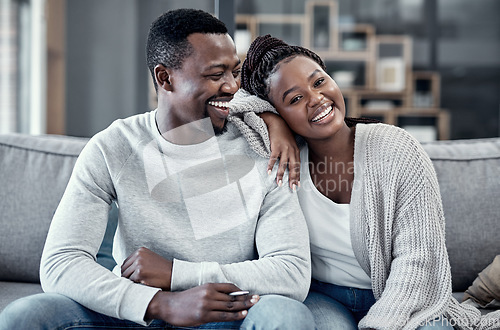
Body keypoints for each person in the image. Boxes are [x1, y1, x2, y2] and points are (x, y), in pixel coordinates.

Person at [0, 11, 315, 329]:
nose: (232, 86)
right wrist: (160, 303)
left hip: (227, 312)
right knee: (26, 316)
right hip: (139, 314)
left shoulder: (262, 146)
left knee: (286, 317)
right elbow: (61, 262)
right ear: (165, 78)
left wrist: (177, 274)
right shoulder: (113, 146)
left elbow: (292, 272)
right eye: (215, 74)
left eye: (234, 72)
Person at [228, 34, 500, 329]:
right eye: (295, 99)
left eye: (319, 82)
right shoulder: (283, 156)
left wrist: (381, 324)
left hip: (404, 294)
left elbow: (419, 259)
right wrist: (272, 122)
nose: (316, 98)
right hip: (324, 298)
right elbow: (227, 105)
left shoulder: (396, 149)